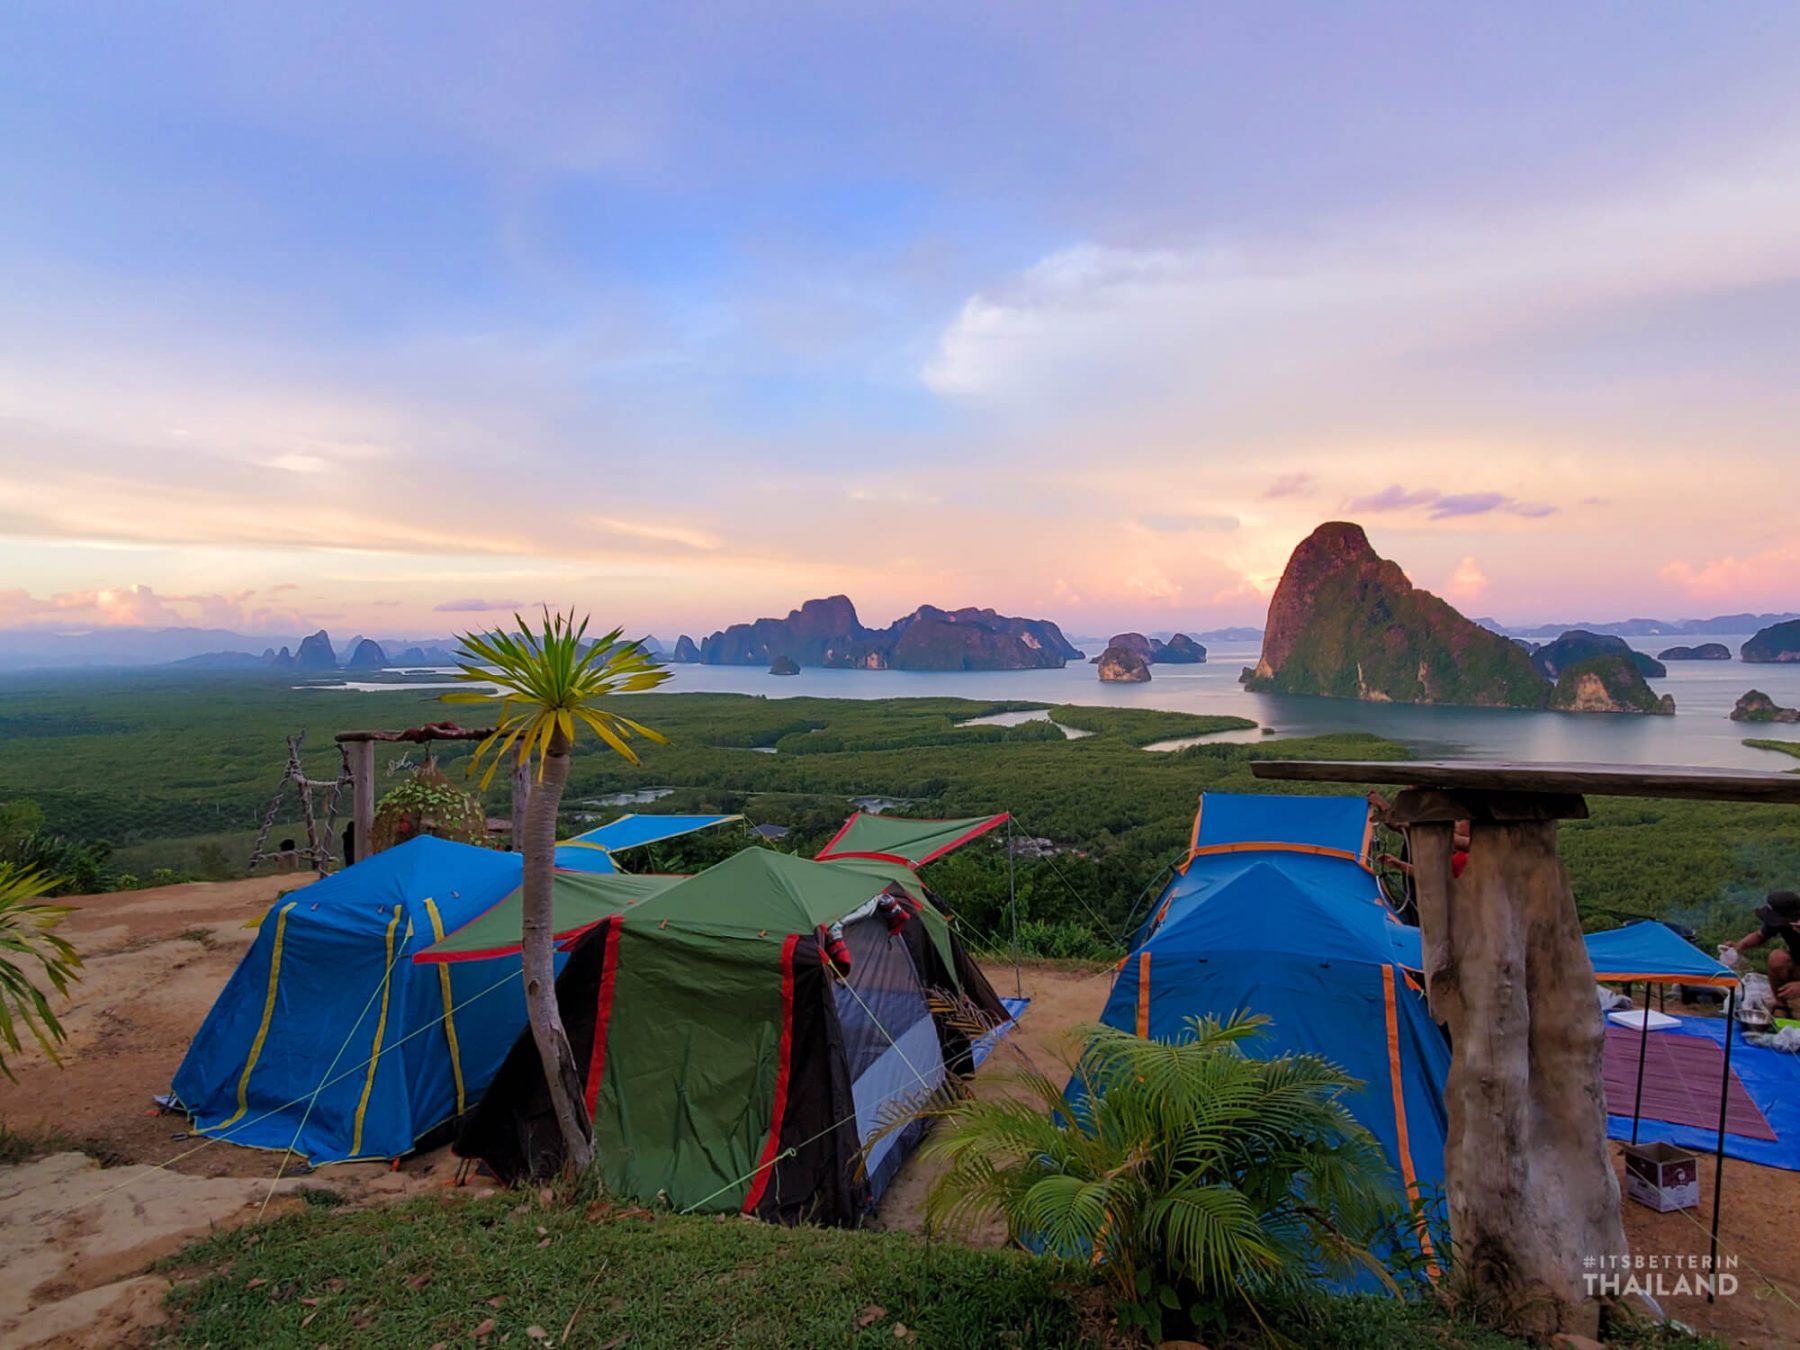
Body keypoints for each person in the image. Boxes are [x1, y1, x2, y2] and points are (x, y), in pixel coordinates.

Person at [1369, 791, 1472, 880]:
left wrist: (1408, 825)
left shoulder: (1474, 849)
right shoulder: (1457, 855)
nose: (1455, 824)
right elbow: (1431, 875)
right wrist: (1399, 864)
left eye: (1459, 820)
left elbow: (1448, 838)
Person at [1728, 890, 1800, 1017]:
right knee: (1777, 958)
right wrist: (1738, 947)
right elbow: (1760, 935)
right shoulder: (1784, 921)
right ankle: (1781, 1005)